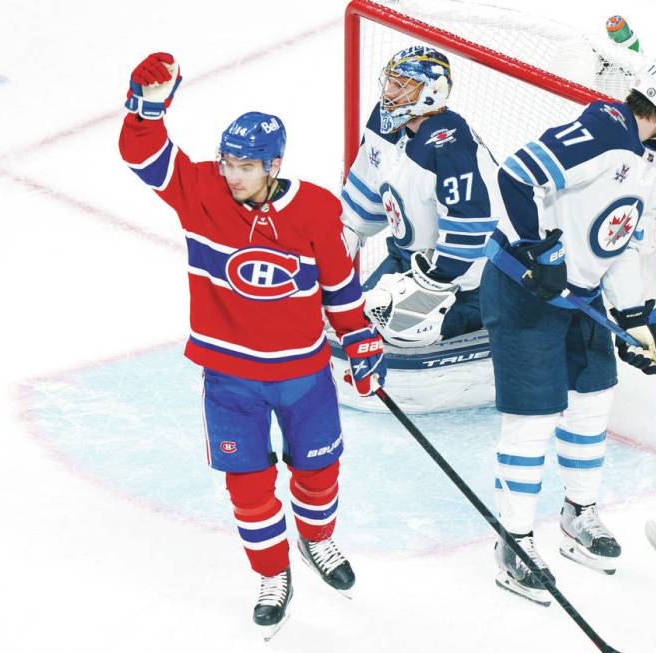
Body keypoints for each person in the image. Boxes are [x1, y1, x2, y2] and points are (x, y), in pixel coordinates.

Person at [118, 52, 387, 639]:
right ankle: (272, 573)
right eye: (228, 162)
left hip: (303, 374)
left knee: (319, 475)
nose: (232, 174)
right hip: (229, 376)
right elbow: (143, 155)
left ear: (273, 164)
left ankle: (316, 539)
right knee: (247, 486)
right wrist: (147, 104)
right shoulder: (200, 192)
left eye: (245, 166)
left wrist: (362, 341)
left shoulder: (316, 208)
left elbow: (340, 288)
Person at [482, 54, 656, 602]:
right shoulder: (605, 127)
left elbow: (619, 243)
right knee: (533, 420)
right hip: (524, 293)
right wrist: (540, 249)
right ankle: (513, 541)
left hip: (581, 300)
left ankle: (578, 515)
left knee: (592, 400)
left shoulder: (654, 167)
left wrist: (636, 318)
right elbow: (514, 175)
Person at [340, 45, 504, 348]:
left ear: (431, 92)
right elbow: (362, 202)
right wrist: (334, 254)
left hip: (467, 279)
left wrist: (431, 284)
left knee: (399, 333)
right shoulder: (384, 121)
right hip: (408, 259)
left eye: (402, 85)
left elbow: (472, 225)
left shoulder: (449, 142)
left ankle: (495, 316)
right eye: (390, 81)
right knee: (354, 318)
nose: (389, 91)